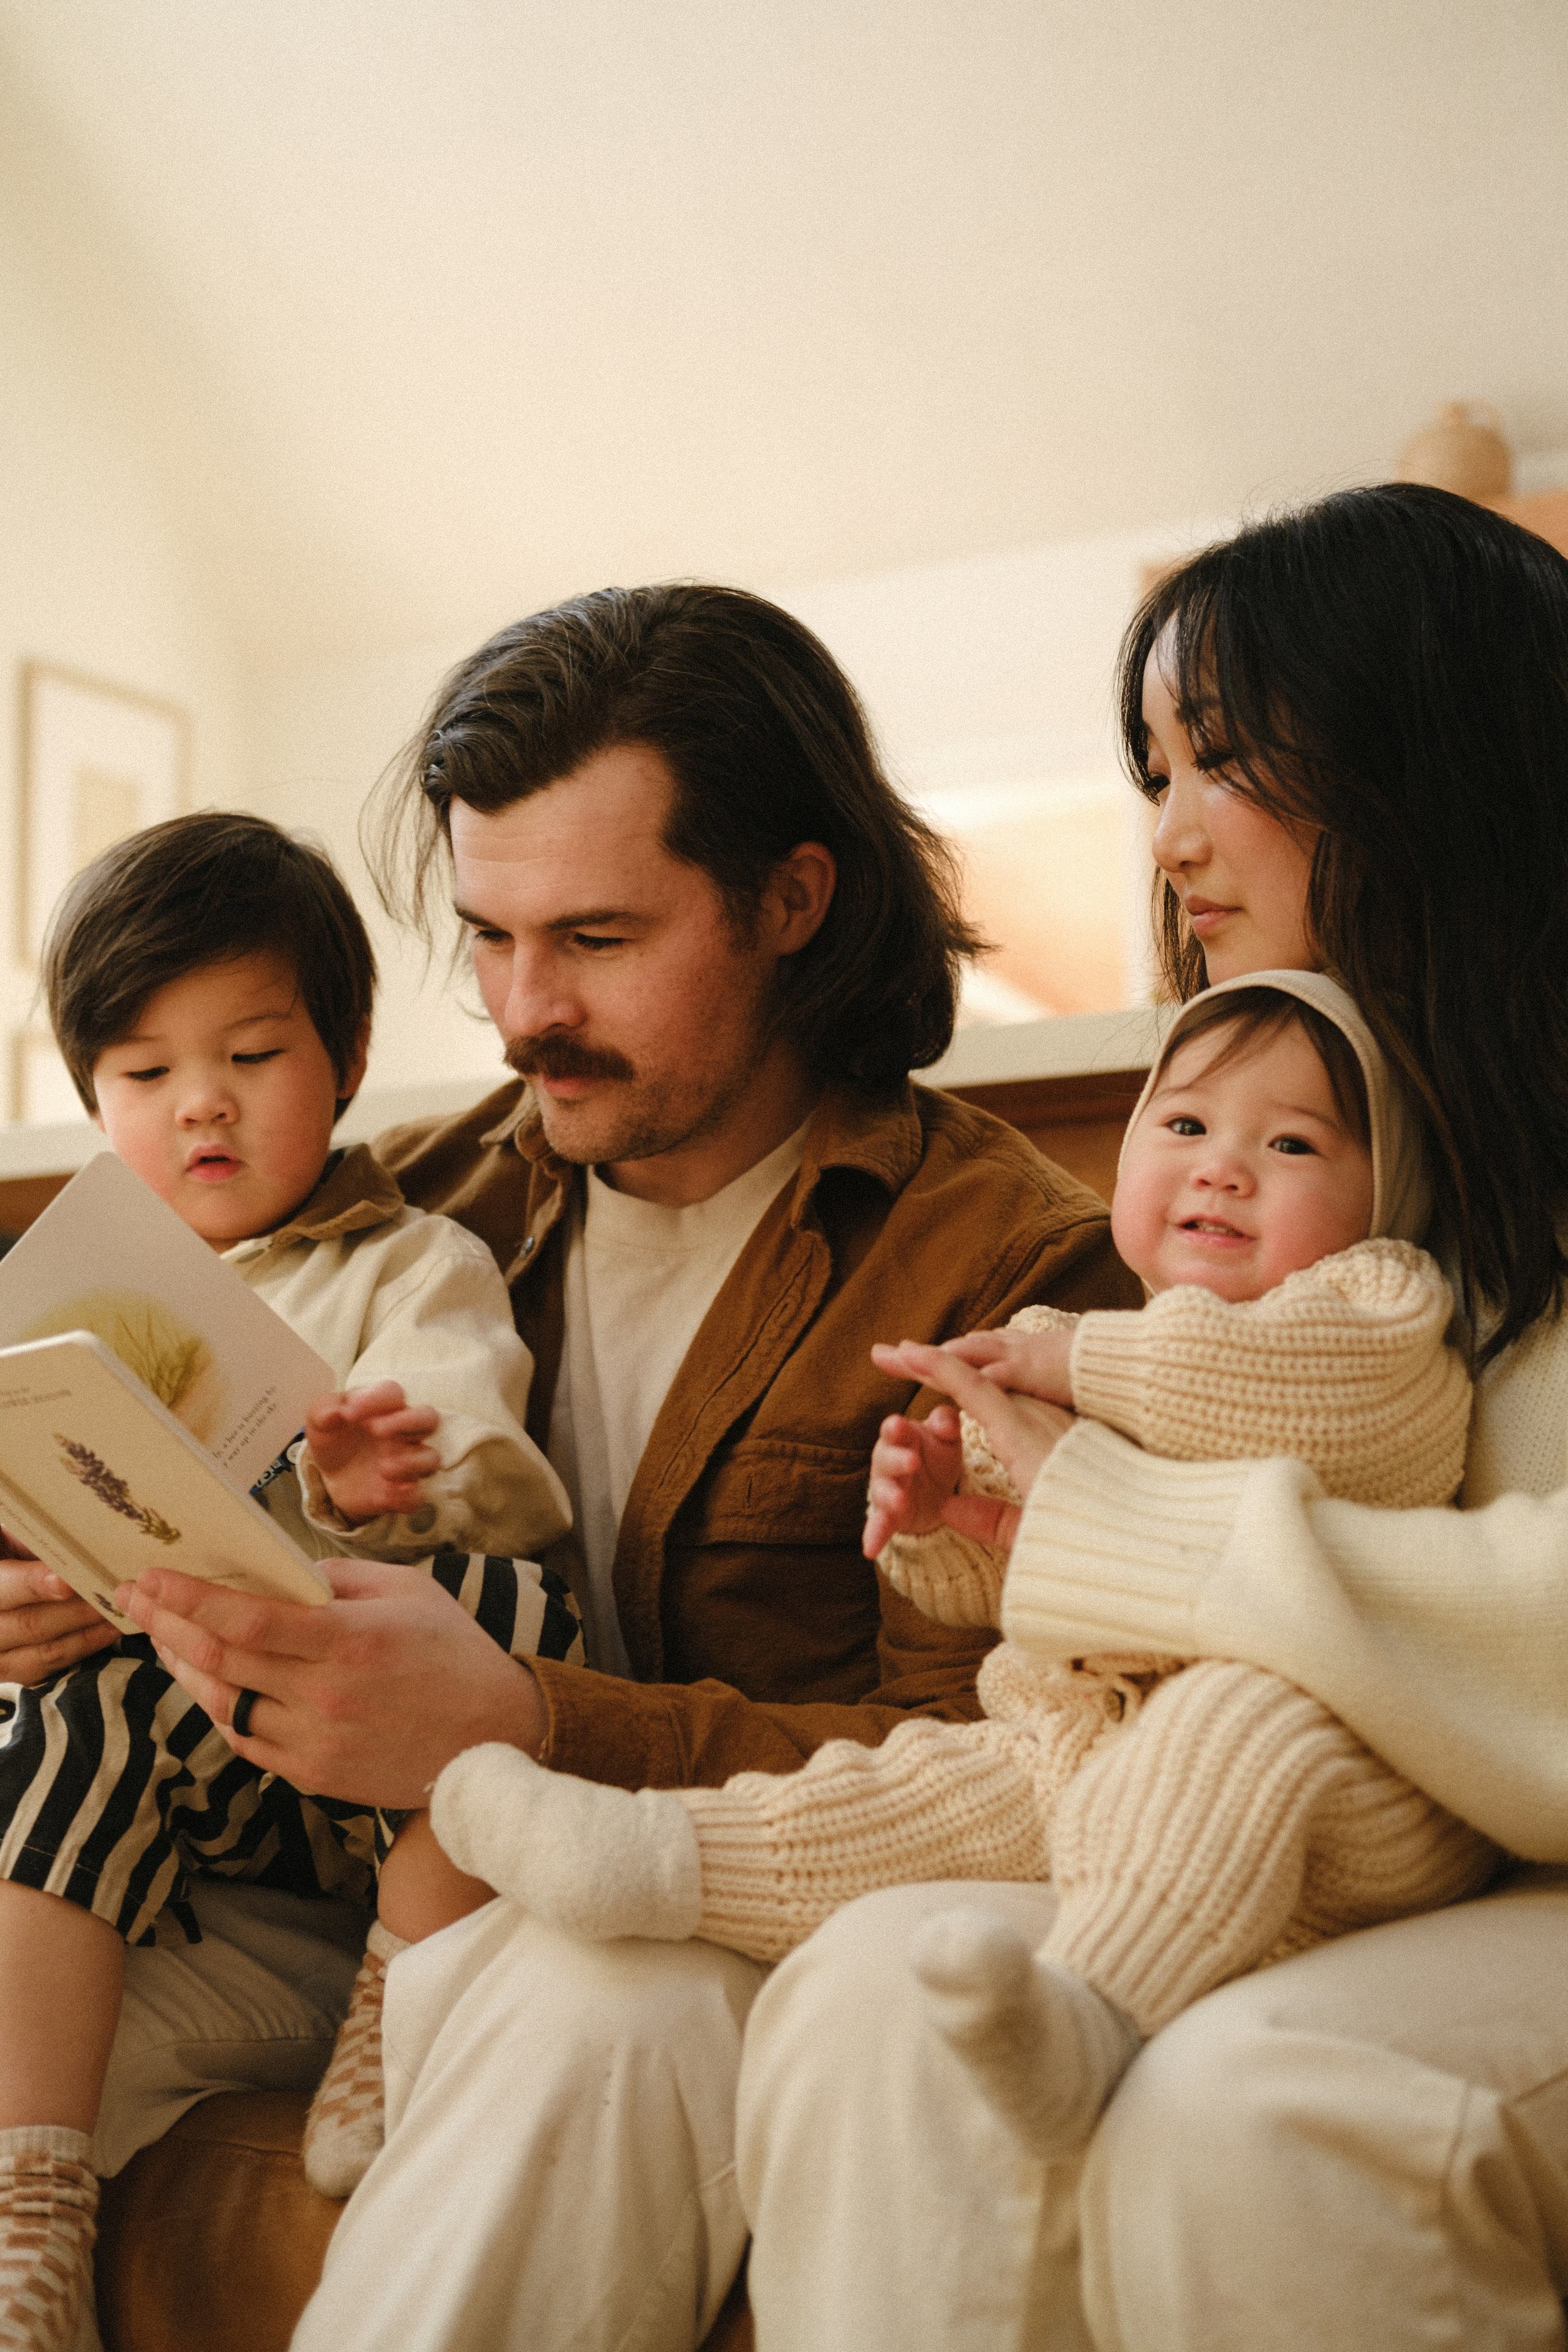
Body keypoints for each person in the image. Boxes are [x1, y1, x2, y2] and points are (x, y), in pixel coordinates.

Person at [4, 584, 1137, 2351]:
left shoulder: (1009, 1278)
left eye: (597, 939)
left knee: (600, 2000)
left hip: (722, 1924)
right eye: (490, 936)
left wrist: (533, 1727)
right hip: (322, 1889)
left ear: (792, 902)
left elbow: (1024, 1776)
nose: (525, 1013)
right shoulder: (414, 1206)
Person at [733, 483, 1568, 2352]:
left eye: (1226, 765)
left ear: (1427, 767)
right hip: (1374, 1827)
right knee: (880, 1994)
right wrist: (1011, 1544)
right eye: (1153, 772)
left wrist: (1112, 1518)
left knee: (1257, 2099)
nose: (1171, 840)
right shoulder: (1335, 1160)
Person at [428, 965, 1494, 2162]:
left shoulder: (1375, 1312)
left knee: (1229, 1724)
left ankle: (1090, 2012)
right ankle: (650, 1859)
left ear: (1381, 1194)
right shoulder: (1098, 1333)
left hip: (1334, 1765)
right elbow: (1022, 1585)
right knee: (911, 1794)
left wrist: (1072, 1362)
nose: (1220, 1167)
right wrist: (938, 1527)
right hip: (1089, 1748)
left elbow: (1287, 1391)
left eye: (1289, 1145)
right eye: (1185, 1125)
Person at [0, 812, 578, 2351]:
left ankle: (395, 2004)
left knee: (508, 1619)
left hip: (371, 1740)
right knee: (64, 1722)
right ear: (90, 1098)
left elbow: (484, 1462)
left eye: (251, 1055)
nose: (200, 1106)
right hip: (181, 1761)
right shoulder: (67, 1316)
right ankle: (32, 2204)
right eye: (142, 1074)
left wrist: (381, 1478)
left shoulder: (407, 1263)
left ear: (346, 1051)